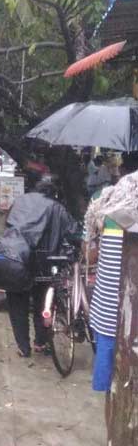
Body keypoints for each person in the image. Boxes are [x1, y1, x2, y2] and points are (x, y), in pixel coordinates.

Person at [0, 178, 81, 357]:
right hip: (44, 264)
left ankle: (23, 347)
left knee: (17, 305)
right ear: (53, 194)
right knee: (43, 303)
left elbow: (8, 226)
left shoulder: (19, 202)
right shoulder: (56, 207)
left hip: (15, 259)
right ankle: (41, 343)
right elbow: (74, 233)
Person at [86, 152, 138, 392]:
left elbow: (89, 250)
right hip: (129, 302)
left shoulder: (103, 200)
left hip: (106, 297)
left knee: (106, 349)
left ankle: (104, 394)